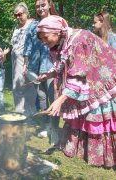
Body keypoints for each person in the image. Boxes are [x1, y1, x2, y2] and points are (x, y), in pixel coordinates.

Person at [37, 15, 116, 167]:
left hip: (102, 79)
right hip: (91, 80)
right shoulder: (64, 42)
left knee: (96, 114)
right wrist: (50, 74)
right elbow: (63, 64)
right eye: (42, 39)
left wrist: (60, 100)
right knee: (85, 114)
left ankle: (104, 156)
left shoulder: (79, 40)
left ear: (57, 31)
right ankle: (85, 152)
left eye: (45, 37)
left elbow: (78, 75)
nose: (44, 42)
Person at [23, 0, 59, 144]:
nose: (40, 8)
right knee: (42, 98)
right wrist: (26, 64)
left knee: (53, 99)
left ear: (49, 5)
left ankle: (55, 130)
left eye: (43, 5)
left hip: (52, 66)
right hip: (35, 67)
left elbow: (63, 43)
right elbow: (28, 45)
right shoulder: (32, 25)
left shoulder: (56, 21)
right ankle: (47, 126)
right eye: (37, 6)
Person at [11, 2, 36, 116]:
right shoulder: (16, 27)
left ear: (26, 13)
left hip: (26, 60)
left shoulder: (32, 25)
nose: (17, 17)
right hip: (15, 60)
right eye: (15, 15)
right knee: (16, 86)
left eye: (20, 14)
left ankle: (28, 115)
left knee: (28, 87)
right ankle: (20, 112)